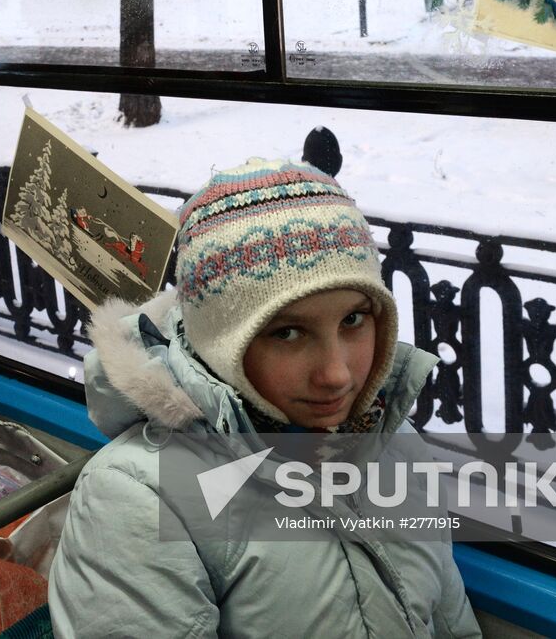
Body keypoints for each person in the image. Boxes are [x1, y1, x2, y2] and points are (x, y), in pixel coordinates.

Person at [48, 159, 480, 637]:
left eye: (353, 321)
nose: (337, 375)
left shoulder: (391, 438)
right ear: (220, 342)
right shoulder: (137, 499)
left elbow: (449, 620)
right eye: (288, 332)